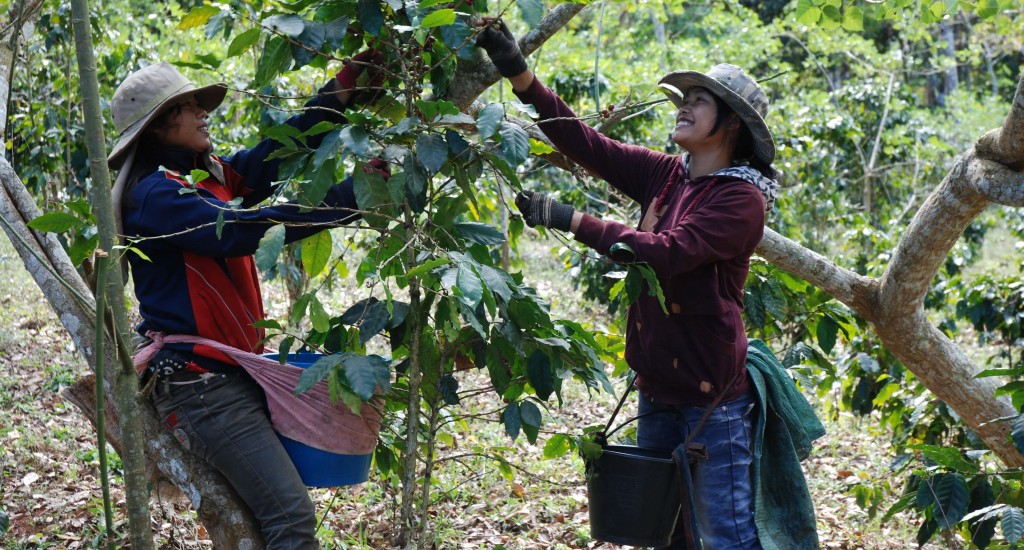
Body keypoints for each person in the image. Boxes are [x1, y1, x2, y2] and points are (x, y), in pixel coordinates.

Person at [476, 20, 787, 550]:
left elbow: (671, 253)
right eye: (682, 98)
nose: (683, 107)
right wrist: (518, 72)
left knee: (725, 536)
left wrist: (572, 219)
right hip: (658, 386)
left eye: (699, 100)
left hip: (713, 401)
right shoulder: (669, 175)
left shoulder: (741, 201)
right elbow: (586, 143)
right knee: (661, 532)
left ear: (731, 122)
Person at [107, 51, 386, 549]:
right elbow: (235, 231)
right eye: (189, 107)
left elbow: (270, 159)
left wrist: (348, 82)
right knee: (291, 518)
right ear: (156, 126)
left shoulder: (204, 173)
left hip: (229, 375)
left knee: (269, 520)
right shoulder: (153, 195)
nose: (202, 113)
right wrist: (355, 198)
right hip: (200, 387)